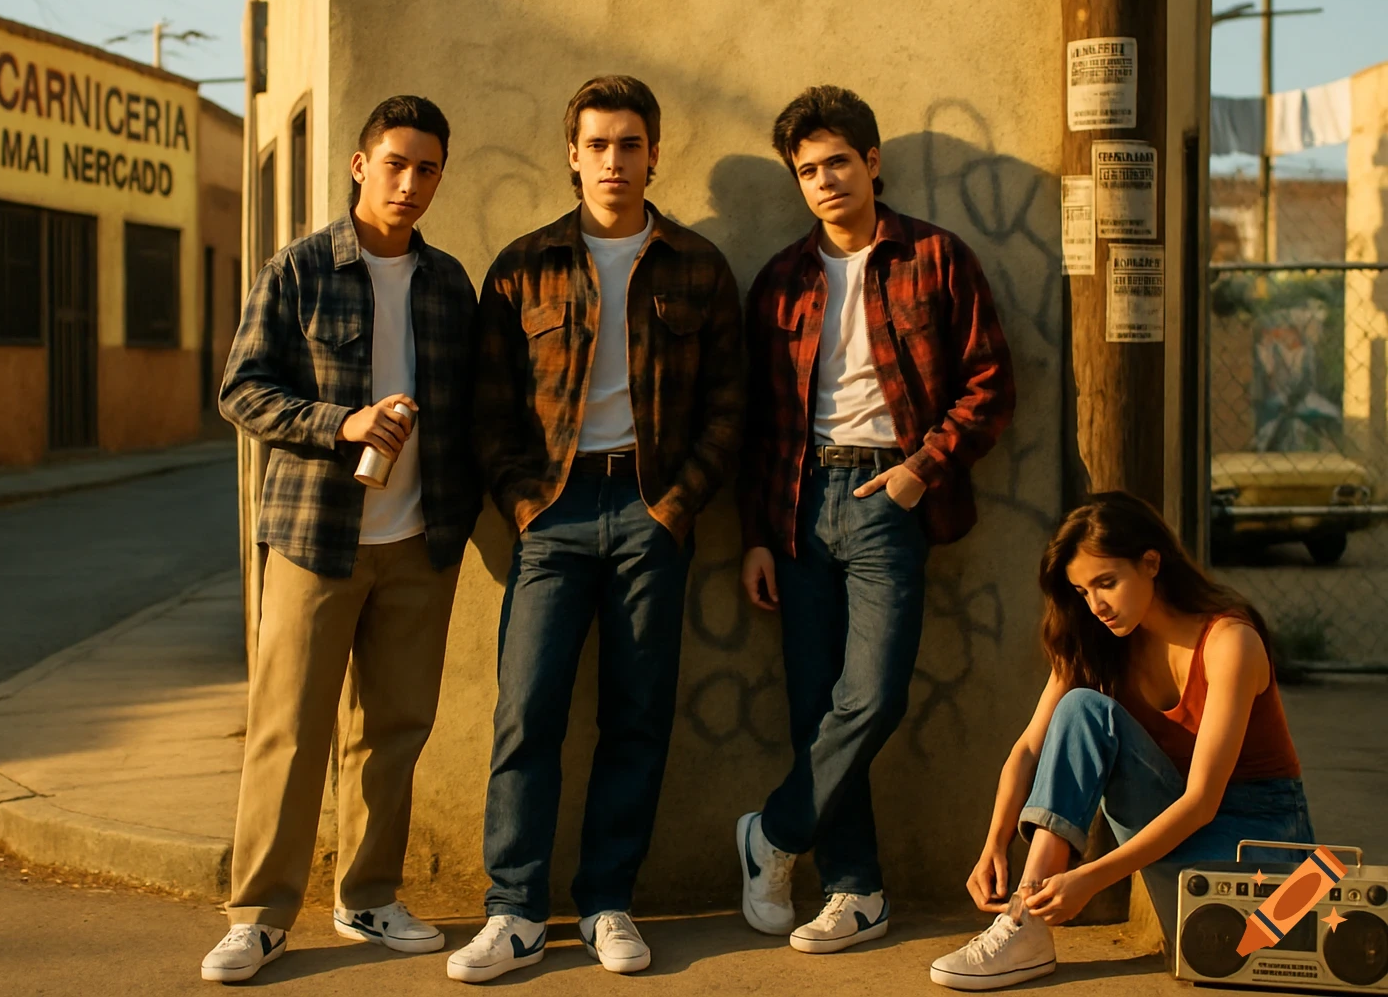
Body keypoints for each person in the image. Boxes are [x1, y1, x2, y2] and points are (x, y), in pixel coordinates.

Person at [448, 75, 744, 984]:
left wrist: (676, 505)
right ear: (572, 155)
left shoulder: (698, 266)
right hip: (556, 512)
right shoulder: (522, 265)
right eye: (597, 145)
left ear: (655, 153)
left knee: (638, 716)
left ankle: (610, 900)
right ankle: (516, 913)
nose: (614, 161)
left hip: (651, 512)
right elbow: (486, 407)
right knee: (527, 712)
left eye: (630, 144)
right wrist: (525, 504)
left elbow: (731, 406)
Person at [204, 96, 482, 983]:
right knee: (289, 731)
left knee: (393, 729)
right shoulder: (299, 271)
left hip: (417, 542)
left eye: (427, 168)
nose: (410, 183)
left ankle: (367, 896)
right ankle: (258, 914)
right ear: (360, 165)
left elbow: (474, 404)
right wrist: (340, 422)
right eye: (395, 163)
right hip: (314, 538)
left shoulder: (447, 284)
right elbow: (241, 391)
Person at [735, 85, 1015, 955]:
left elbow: (991, 382)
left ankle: (775, 833)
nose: (824, 181)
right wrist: (754, 532)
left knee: (873, 694)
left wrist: (918, 473)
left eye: (837, 164)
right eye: (807, 171)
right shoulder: (782, 279)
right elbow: (756, 416)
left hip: (887, 501)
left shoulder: (935, 256)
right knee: (815, 702)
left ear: (872, 160)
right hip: (795, 502)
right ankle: (856, 891)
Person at [929, 491, 1315, 991]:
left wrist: (1089, 879)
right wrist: (994, 844)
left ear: (1151, 563)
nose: (1096, 605)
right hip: (1171, 827)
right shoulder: (1098, 643)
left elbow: (1201, 803)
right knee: (1082, 709)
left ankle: (1035, 918)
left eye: (1106, 583)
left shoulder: (1229, 642)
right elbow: (1027, 748)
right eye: (1083, 591)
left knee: (1238, 963)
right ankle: (1025, 922)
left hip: (1255, 843)